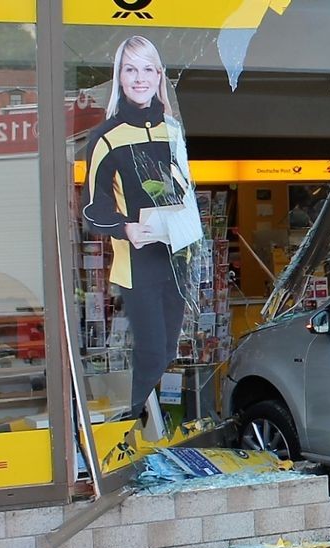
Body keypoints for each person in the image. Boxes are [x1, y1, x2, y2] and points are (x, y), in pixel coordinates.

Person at [82, 35, 196, 419]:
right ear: (119, 76)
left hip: (175, 258)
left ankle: (146, 428)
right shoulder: (105, 137)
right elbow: (91, 208)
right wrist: (124, 227)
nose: (140, 78)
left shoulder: (173, 130)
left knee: (166, 351)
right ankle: (130, 426)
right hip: (137, 264)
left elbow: (186, 190)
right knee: (149, 351)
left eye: (148, 69)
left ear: (159, 75)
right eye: (131, 69)